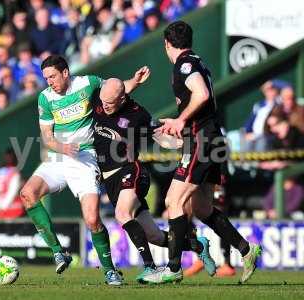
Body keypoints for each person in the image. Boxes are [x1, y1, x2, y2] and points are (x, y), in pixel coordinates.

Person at [142, 21, 262, 284]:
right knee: (202, 207)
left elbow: (202, 93)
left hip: (202, 141)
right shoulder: (198, 60)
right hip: (211, 139)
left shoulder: (184, 64)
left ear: (166, 44)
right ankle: (246, 249)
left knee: (174, 201)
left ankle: (173, 267)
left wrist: (182, 120)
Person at [19, 55, 149, 285]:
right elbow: (47, 137)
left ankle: (109, 270)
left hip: (86, 157)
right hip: (59, 156)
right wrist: (62, 147)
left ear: (66, 72)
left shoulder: (87, 84)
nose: (49, 82)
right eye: (46, 78)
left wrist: (135, 81)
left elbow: (114, 90)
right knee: (27, 194)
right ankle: (59, 252)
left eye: (53, 76)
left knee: (91, 219)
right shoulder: (45, 98)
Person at [92, 78, 216, 283]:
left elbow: (159, 135)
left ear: (121, 99)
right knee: (156, 237)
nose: (104, 106)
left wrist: (185, 143)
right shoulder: (100, 96)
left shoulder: (137, 114)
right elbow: (118, 88)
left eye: (110, 103)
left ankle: (150, 267)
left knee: (122, 213)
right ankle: (197, 245)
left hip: (130, 171)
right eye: (102, 102)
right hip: (110, 181)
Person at [0, 149, 24, 219]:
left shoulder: (14, 172)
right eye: (7, 157)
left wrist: (1, 208)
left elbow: (13, 191)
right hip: (5, 210)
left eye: (10, 157)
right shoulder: (2, 171)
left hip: (12, 210)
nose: (8, 159)